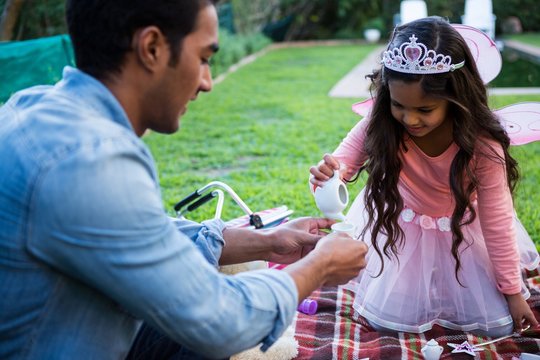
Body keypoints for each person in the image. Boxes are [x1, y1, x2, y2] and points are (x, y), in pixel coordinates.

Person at [0, 0, 369, 359]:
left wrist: (267, 242)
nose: (207, 81)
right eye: (204, 58)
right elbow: (219, 321)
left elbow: (148, 235)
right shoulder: (90, 158)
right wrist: (319, 266)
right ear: (152, 47)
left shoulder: (35, 107)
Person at [310, 16, 540, 338]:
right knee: (389, 322)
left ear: (456, 98)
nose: (410, 118)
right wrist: (326, 177)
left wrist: (513, 293)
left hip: (464, 233)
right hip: (403, 229)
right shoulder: (381, 122)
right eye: (398, 105)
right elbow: (341, 165)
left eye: (426, 109)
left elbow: (497, 221)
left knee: (496, 325)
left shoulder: (482, 147)